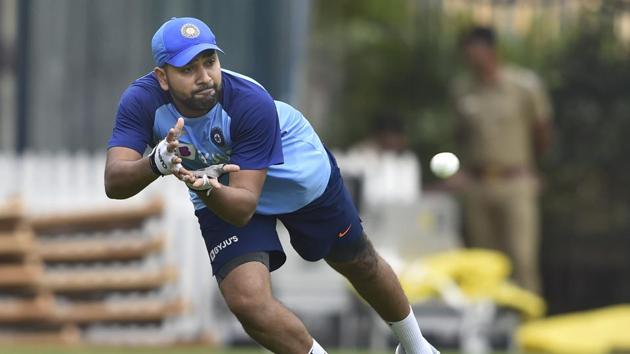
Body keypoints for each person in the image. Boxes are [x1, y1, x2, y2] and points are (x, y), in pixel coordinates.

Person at [104, 17, 439, 354]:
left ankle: (417, 348)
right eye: (188, 69)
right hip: (219, 189)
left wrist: (205, 185)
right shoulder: (141, 102)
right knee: (248, 302)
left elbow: (244, 206)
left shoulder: (249, 101)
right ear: (162, 77)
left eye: (210, 62)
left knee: (358, 261)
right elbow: (114, 182)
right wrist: (155, 163)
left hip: (295, 176)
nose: (205, 77)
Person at [451, 26, 553, 293]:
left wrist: (530, 167)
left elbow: (542, 131)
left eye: (477, 51)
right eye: (468, 52)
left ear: (493, 50)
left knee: (522, 257)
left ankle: (527, 326)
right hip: (478, 184)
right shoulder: (463, 89)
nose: (473, 58)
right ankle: (489, 327)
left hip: (515, 181)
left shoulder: (524, 86)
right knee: (484, 261)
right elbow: (461, 135)